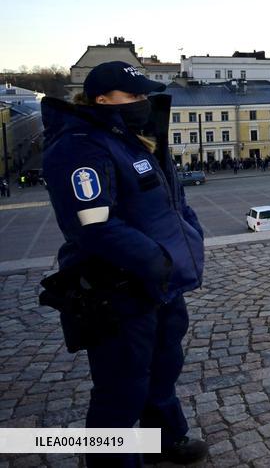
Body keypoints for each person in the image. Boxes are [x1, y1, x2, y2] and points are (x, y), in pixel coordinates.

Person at [40, 61, 208, 466]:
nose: (142, 102)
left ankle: (166, 439)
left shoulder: (136, 138)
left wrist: (189, 235)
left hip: (162, 284)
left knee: (163, 367)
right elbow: (93, 226)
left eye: (144, 95)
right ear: (102, 100)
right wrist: (158, 259)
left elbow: (171, 200)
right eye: (133, 96)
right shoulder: (80, 145)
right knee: (122, 387)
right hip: (116, 288)